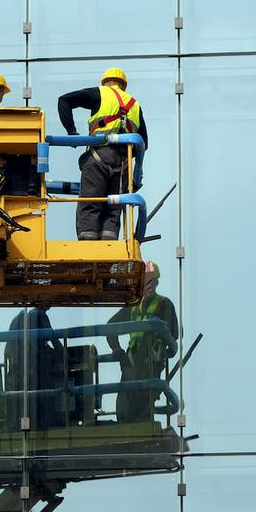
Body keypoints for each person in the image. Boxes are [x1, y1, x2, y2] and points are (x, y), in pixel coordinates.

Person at [57, 68, 149, 240]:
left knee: (90, 202)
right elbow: (144, 143)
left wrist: (72, 132)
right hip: (123, 161)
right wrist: (134, 169)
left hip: (99, 156)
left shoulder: (100, 93)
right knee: (114, 207)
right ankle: (109, 245)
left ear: (105, 82)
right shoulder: (135, 105)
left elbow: (64, 101)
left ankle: (88, 244)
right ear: (123, 86)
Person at [106, 261, 178, 423]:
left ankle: (140, 422)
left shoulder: (164, 304)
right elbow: (110, 327)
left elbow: (173, 337)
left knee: (143, 402)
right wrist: (118, 350)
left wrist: (163, 354)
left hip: (150, 361)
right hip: (131, 360)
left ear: (157, 282)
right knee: (124, 404)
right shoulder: (133, 305)